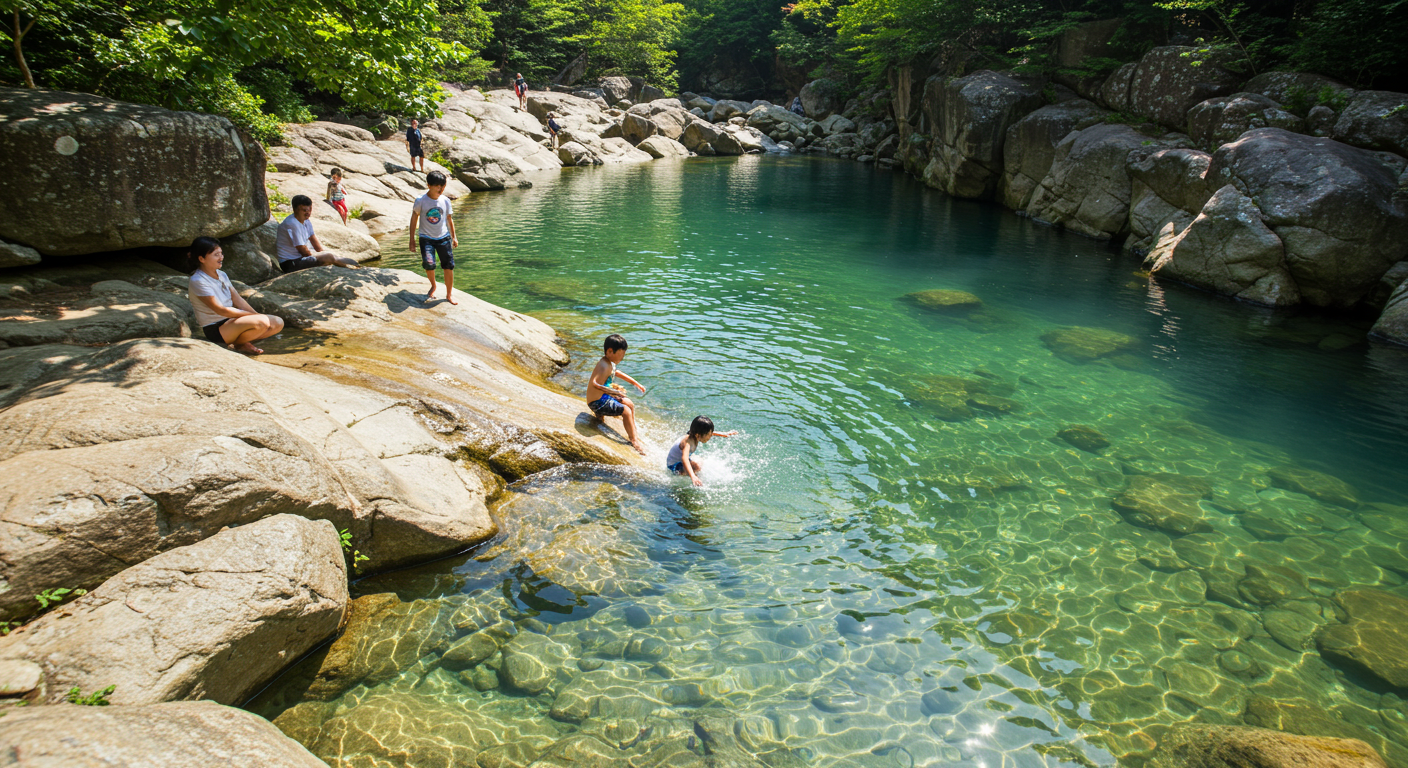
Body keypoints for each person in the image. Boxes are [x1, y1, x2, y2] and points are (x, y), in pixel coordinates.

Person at [187, 236, 285, 355]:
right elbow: (221, 310)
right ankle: (240, 344)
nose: (221, 257)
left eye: (221, 253)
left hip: (232, 321)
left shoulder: (222, 274)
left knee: (278, 323)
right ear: (202, 259)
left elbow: (237, 299)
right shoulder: (198, 280)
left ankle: (241, 342)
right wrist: (253, 316)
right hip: (216, 328)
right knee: (262, 322)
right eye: (216, 254)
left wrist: (256, 314)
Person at [587, 334, 647, 454]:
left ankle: (632, 428)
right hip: (596, 403)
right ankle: (633, 440)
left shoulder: (609, 363)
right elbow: (595, 384)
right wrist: (614, 392)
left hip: (602, 397)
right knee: (626, 411)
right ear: (610, 351)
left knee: (629, 403)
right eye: (621, 354)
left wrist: (636, 383)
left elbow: (617, 373)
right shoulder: (604, 366)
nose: (623, 357)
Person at [409, 170, 459, 305]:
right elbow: (414, 219)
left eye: (443, 186)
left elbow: (449, 219)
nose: (441, 189)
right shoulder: (421, 201)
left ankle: (449, 294)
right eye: (438, 186)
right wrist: (412, 240)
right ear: (429, 185)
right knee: (429, 264)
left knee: (448, 266)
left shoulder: (446, 201)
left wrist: (454, 237)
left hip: (443, 238)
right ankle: (433, 285)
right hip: (426, 238)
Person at [276, 195, 360, 273]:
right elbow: (302, 249)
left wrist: (322, 252)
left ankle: (356, 266)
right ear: (295, 210)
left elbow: (312, 238)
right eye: (304, 210)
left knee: (330, 255)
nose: (308, 213)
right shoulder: (292, 223)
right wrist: (321, 256)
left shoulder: (306, 221)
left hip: (300, 258)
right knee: (329, 257)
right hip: (290, 263)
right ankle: (352, 269)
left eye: (310, 209)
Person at [667, 416, 738, 486]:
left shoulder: (694, 435)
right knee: (696, 467)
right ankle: (692, 479)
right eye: (708, 435)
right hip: (673, 465)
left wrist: (724, 434)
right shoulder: (687, 443)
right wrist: (693, 476)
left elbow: (708, 432)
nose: (710, 436)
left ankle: (693, 475)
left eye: (711, 434)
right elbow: (684, 458)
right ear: (698, 435)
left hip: (679, 460)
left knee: (700, 461)